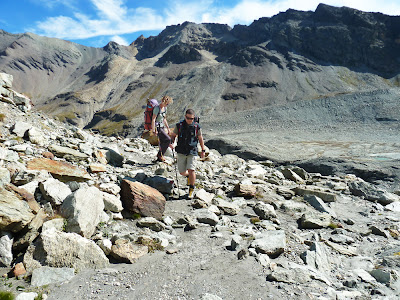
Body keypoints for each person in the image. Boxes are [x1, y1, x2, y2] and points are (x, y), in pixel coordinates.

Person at [170, 109, 206, 198]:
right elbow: (173, 135)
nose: (190, 120)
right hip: (181, 150)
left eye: (192, 118)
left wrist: (203, 150)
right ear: (185, 117)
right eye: (188, 118)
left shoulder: (197, 127)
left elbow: (200, 138)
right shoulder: (179, 125)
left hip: (192, 151)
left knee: (191, 169)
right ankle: (189, 177)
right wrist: (172, 143)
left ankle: (191, 189)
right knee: (182, 172)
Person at [151, 95, 173, 162]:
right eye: (166, 103)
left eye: (168, 104)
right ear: (163, 101)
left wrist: (168, 128)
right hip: (158, 127)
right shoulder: (157, 108)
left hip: (162, 126)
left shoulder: (165, 109)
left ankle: (159, 156)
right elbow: (153, 119)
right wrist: (153, 130)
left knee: (163, 141)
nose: (167, 105)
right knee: (168, 139)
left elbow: (164, 119)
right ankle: (160, 155)